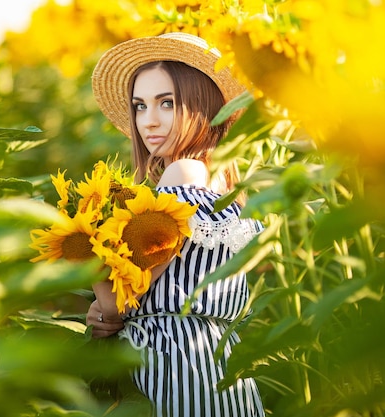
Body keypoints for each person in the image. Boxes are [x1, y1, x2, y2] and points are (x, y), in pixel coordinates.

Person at [88, 32, 265, 417]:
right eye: (139, 106)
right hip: (219, 370)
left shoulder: (180, 175)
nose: (148, 121)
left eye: (166, 103)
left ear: (201, 105)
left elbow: (124, 298)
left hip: (173, 369)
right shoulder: (224, 183)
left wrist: (92, 268)